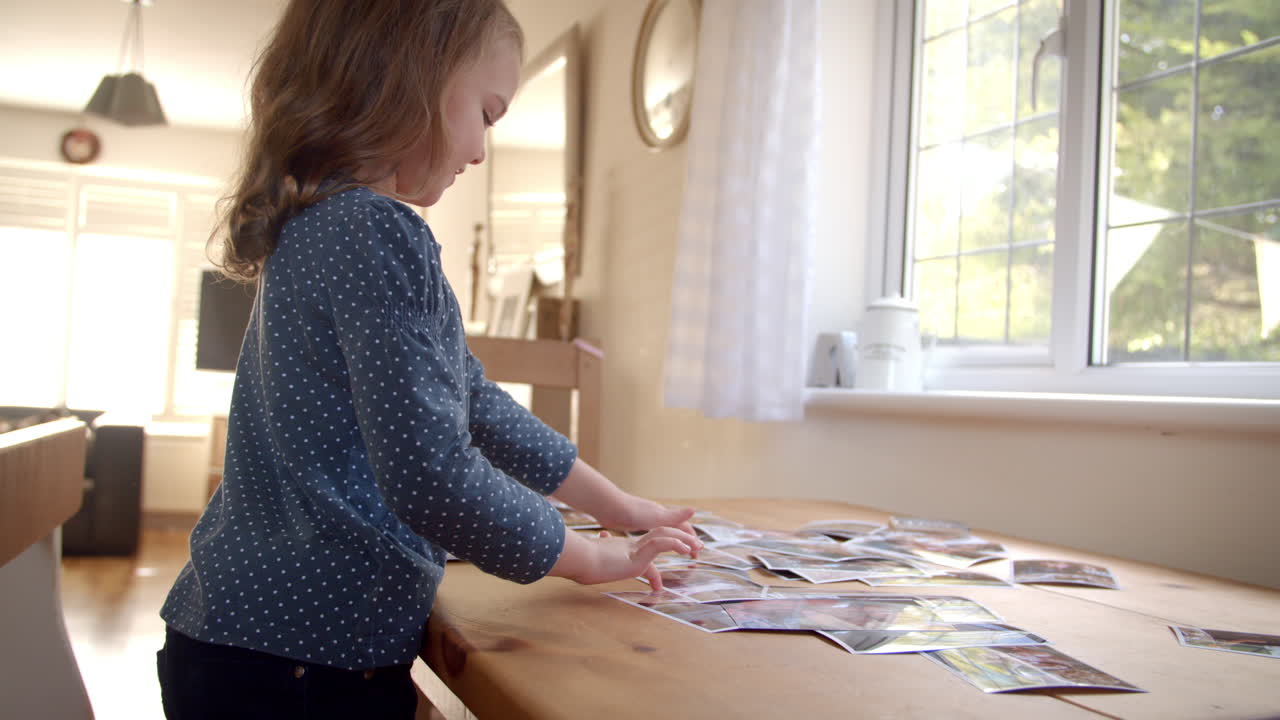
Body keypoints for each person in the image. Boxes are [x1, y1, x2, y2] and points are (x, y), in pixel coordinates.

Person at [155, 1, 701, 717]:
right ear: (412, 78)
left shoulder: (325, 227)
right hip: (298, 663)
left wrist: (621, 508)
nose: (480, 151)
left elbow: (476, 404)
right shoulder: (376, 232)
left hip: (249, 647)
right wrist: (594, 560)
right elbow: (432, 473)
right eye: (488, 112)